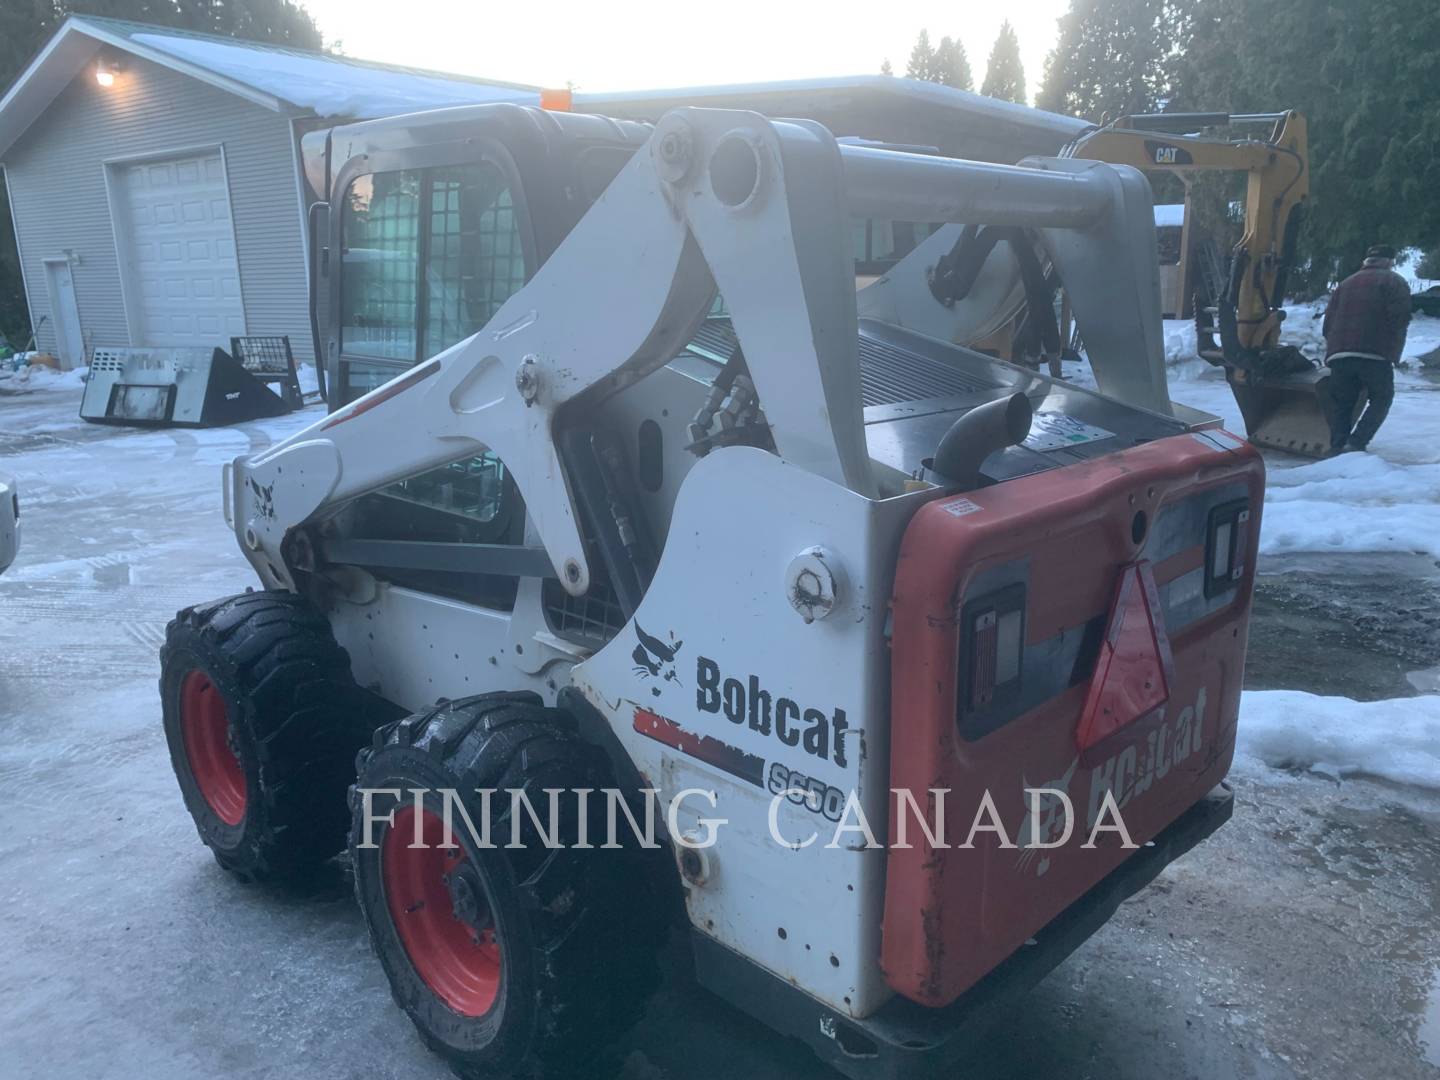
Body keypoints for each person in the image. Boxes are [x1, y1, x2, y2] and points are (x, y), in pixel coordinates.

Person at [1322, 244, 1411, 453]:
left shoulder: (1345, 283)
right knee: (1382, 398)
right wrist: (1392, 351)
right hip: (1374, 353)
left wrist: (1335, 348)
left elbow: (1328, 322)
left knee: (1343, 404)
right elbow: (1399, 319)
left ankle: (1337, 447)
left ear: (1367, 260)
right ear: (1390, 261)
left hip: (1340, 354)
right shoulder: (1394, 282)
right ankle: (1356, 443)